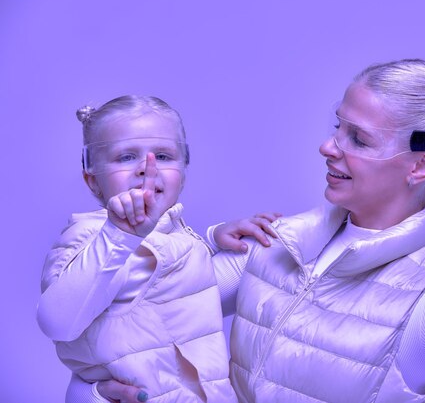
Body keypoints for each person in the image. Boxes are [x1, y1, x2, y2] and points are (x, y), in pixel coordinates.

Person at [69, 59, 425, 402]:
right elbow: (116, 321)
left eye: (358, 137)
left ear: (420, 167)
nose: (329, 146)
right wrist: (95, 393)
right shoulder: (273, 246)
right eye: (338, 125)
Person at [37, 96, 275, 403]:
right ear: (92, 180)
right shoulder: (90, 236)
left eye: (163, 156)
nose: (146, 168)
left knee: (267, 246)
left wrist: (214, 239)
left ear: (183, 174)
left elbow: (174, 292)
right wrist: (117, 235)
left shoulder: (174, 232)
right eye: (125, 157)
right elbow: (57, 322)